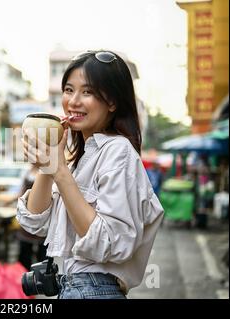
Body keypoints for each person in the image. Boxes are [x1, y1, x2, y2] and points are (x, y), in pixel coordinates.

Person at [17, 51, 164, 299]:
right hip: (74, 288)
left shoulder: (118, 151)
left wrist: (60, 172)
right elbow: (34, 222)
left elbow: (109, 241)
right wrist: (50, 162)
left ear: (112, 102)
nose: (73, 101)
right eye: (68, 90)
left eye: (87, 92)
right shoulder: (79, 159)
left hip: (96, 289)